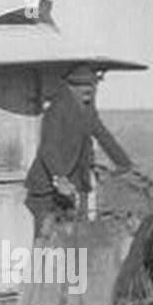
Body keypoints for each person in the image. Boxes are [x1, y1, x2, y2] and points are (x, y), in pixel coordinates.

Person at [24, 64, 132, 236]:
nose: (88, 89)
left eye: (91, 85)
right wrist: (60, 179)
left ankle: (73, 263)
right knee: (46, 238)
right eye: (83, 85)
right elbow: (48, 149)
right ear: (70, 87)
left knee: (75, 236)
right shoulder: (56, 110)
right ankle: (40, 263)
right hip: (47, 188)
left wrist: (125, 164)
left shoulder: (87, 108)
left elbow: (102, 134)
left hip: (76, 183)